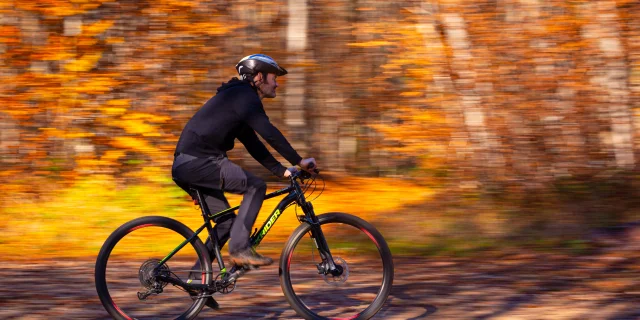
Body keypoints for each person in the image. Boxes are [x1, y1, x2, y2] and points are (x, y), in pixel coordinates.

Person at [171, 54, 316, 307]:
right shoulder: (243, 96)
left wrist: (282, 170)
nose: (277, 84)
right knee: (255, 186)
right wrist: (299, 159)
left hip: (190, 164)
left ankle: (197, 279)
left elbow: (254, 143)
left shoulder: (238, 100)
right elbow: (269, 132)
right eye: (274, 78)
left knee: (227, 223)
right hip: (199, 162)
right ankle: (239, 251)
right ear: (258, 77)